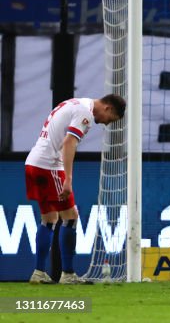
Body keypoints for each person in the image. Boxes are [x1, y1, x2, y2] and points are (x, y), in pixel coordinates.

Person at [26, 94, 125, 284]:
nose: (105, 124)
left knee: (49, 219)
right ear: (108, 108)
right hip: (48, 165)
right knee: (70, 218)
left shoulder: (76, 102)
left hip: (33, 162)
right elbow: (69, 142)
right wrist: (68, 179)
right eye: (110, 120)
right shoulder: (84, 113)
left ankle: (38, 273)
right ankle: (68, 274)